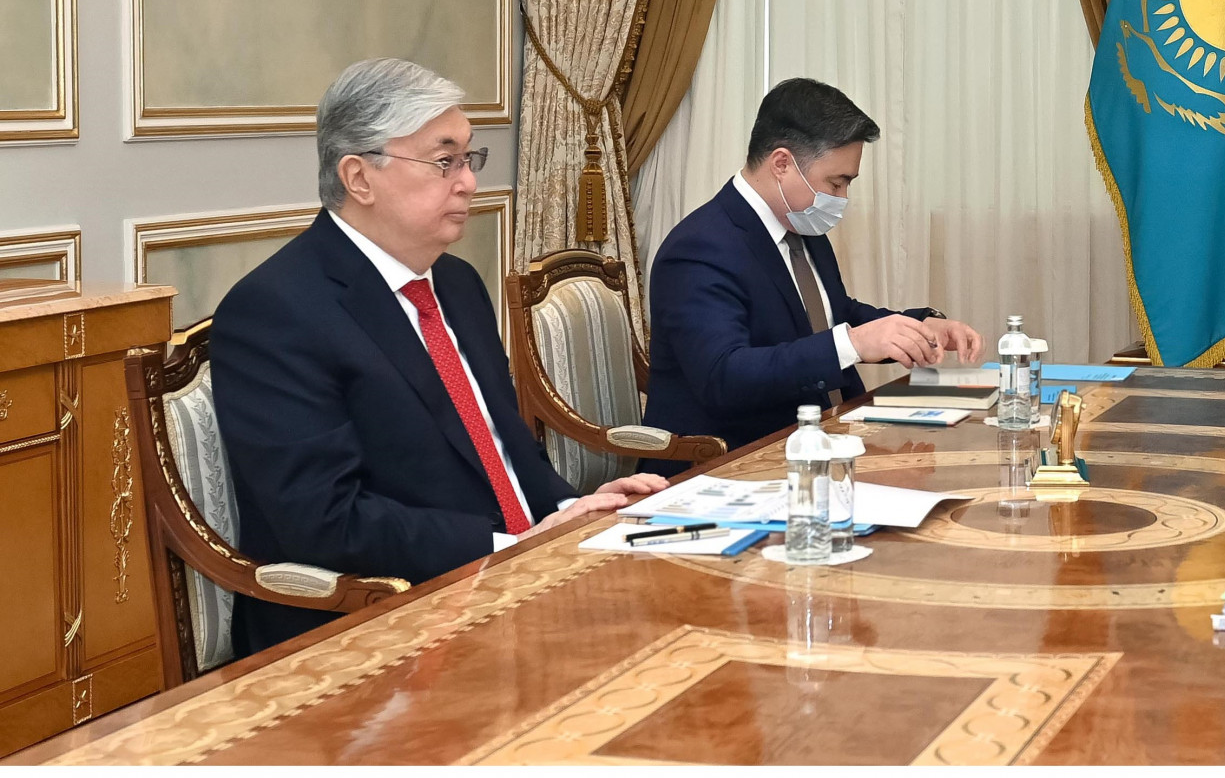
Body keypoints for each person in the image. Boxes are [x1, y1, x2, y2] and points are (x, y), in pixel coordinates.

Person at [211, 58, 664, 657]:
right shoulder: (275, 311)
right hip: (373, 624)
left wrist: (571, 508)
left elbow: (503, 446)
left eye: (469, 159)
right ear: (359, 178)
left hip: (506, 581)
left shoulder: (456, 282)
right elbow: (323, 520)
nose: (469, 182)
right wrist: (510, 549)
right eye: (444, 161)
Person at [641, 77, 983, 468]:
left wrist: (919, 326)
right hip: (733, 461)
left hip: (822, 438)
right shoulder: (699, 248)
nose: (841, 199)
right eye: (835, 183)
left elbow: (833, 315)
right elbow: (724, 376)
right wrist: (854, 343)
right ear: (782, 164)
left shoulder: (799, 224)